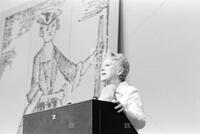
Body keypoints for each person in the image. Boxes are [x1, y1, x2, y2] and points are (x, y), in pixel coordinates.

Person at [99, 51, 146, 131]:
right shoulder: (102, 95)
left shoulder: (130, 91)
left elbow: (141, 122)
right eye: (101, 66)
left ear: (119, 71)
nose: (101, 69)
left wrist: (125, 113)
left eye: (107, 65)